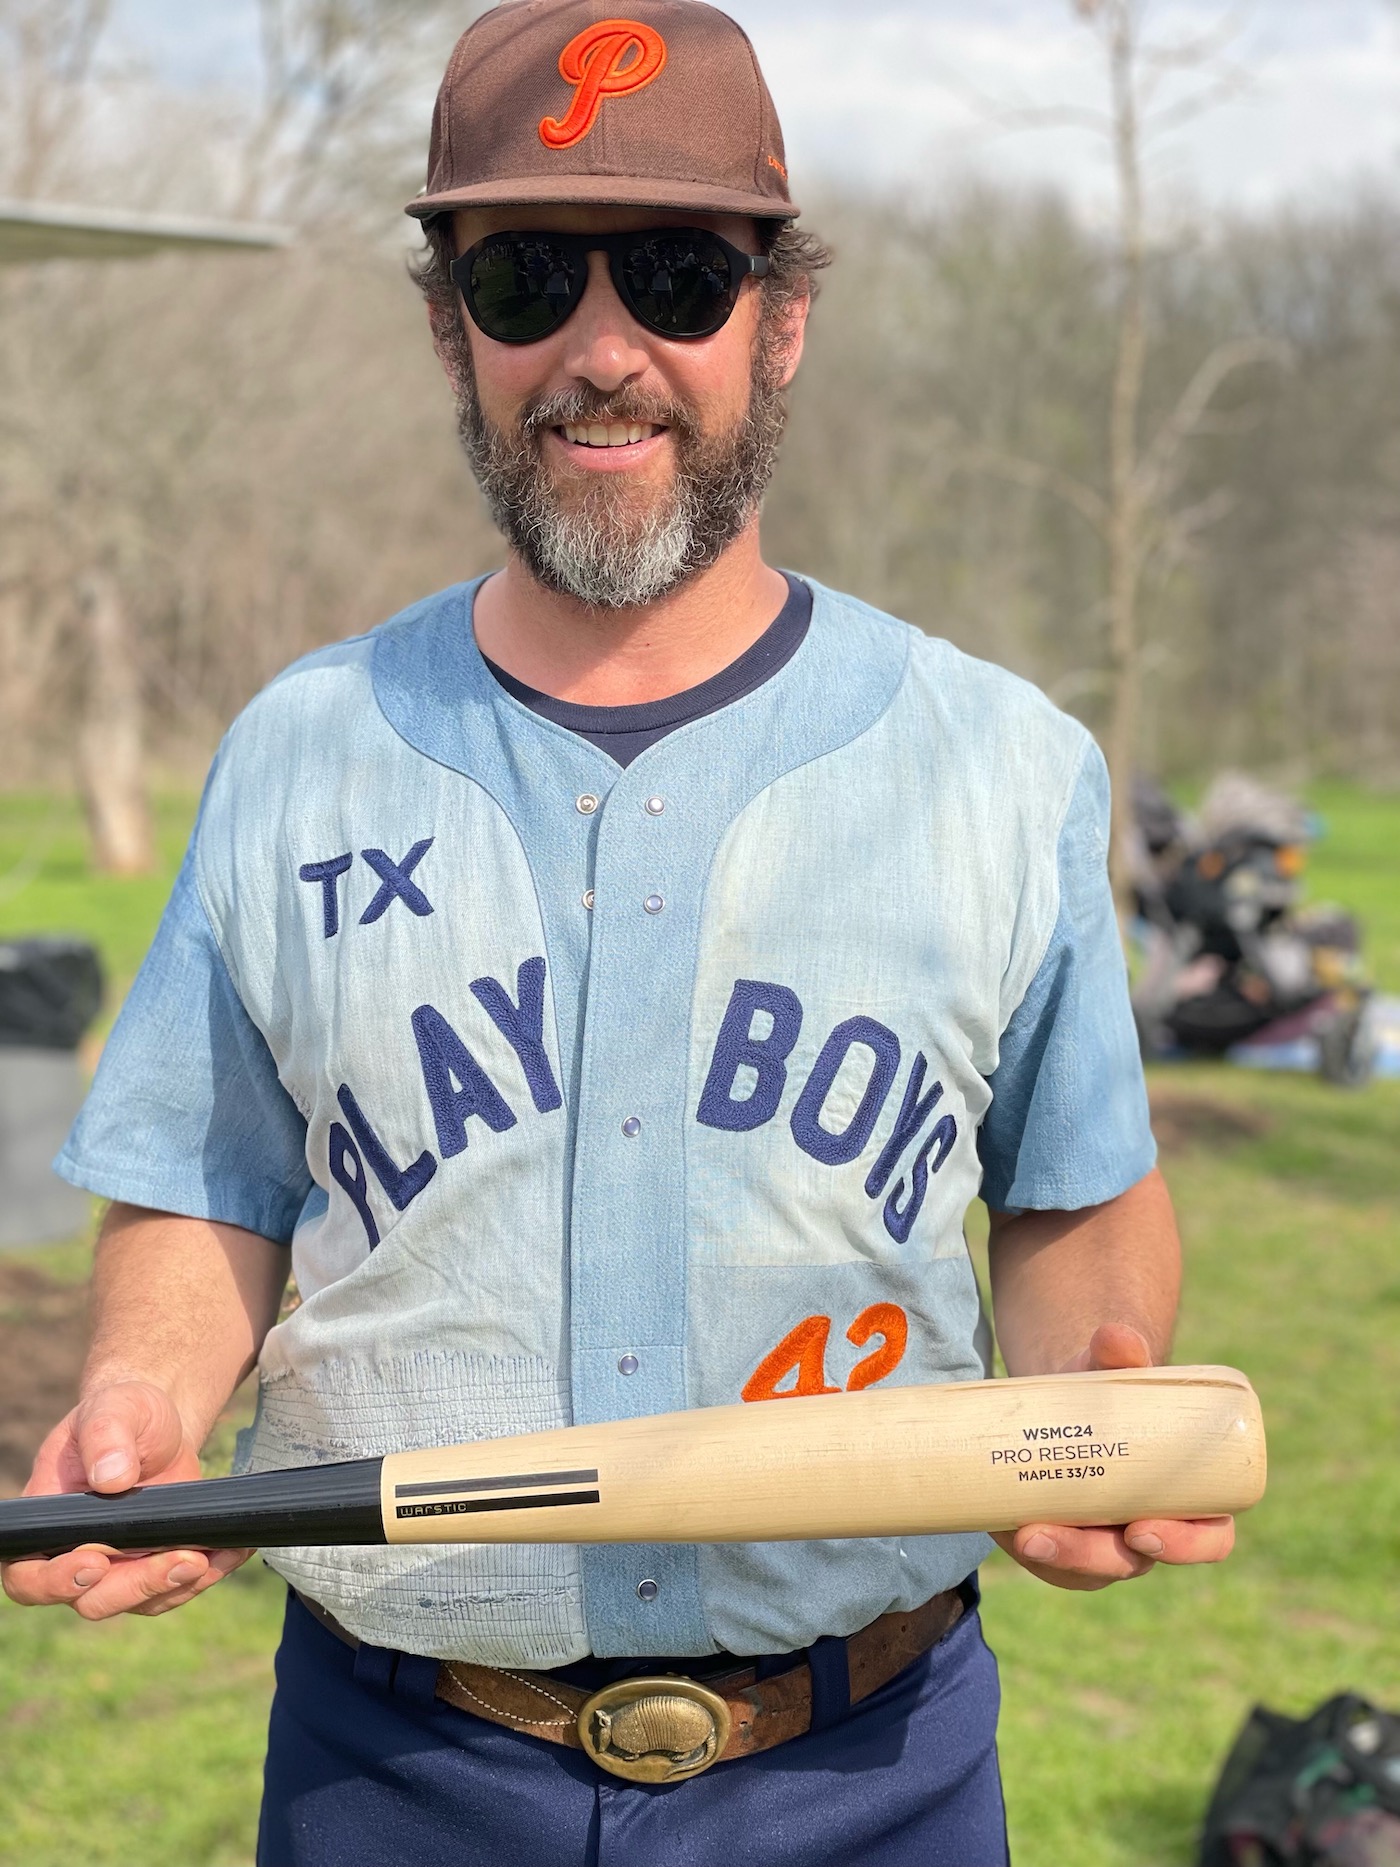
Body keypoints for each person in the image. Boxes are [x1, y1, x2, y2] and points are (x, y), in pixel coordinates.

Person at [2, 4, 1235, 1862]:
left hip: (871, 1771)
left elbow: (1068, 1197)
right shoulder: (301, 753)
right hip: (395, 1772)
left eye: (674, 276)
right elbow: (205, 1185)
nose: (602, 353)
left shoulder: (1000, 763)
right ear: (449, 328)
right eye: (521, 280)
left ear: (781, 315)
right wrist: (142, 1399)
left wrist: (1087, 1382)